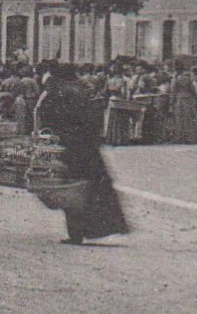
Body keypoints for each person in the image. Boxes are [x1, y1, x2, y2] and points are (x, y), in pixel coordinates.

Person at [37, 64, 130, 245]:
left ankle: (76, 233)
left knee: (72, 192)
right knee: (91, 191)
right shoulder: (81, 91)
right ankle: (97, 228)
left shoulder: (60, 92)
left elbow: (48, 115)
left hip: (70, 148)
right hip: (88, 149)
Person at [170, 62, 197, 145]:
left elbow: (173, 92)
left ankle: (179, 137)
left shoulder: (175, 79)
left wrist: (171, 103)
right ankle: (189, 138)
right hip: (188, 99)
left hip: (179, 100)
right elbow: (193, 90)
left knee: (179, 119)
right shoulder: (188, 78)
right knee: (188, 118)